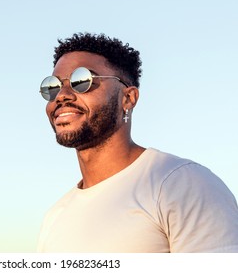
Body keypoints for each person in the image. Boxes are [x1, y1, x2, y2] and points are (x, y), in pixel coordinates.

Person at [37, 32, 238, 253]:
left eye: (82, 81)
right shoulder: (55, 218)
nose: (62, 95)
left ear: (128, 98)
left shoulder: (181, 184)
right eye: (52, 87)